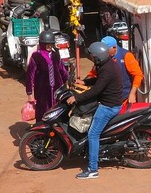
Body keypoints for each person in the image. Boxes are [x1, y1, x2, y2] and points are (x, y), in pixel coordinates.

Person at [67, 42, 123, 180]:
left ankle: (93, 169)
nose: (91, 58)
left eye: (92, 56)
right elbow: (99, 82)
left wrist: (77, 98)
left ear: (98, 57)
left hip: (108, 106)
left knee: (93, 134)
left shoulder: (107, 69)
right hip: (110, 102)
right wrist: (85, 83)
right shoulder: (106, 65)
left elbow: (97, 90)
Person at [25, 29, 69, 122]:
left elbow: (62, 70)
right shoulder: (36, 56)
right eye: (46, 44)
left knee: (57, 111)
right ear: (41, 44)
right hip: (42, 91)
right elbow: (30, 76)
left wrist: (68, 81)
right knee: (42, 113)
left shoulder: (56, 55)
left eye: (51, 44)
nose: (49, 46)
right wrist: (29, 93)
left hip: (57, 90)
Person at [84, 36, 143, 103]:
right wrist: (84, 82)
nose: (104, 52)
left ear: (114, 48)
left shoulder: (126, 56)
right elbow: (93, 73)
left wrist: (132, 93)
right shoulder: (102, 57)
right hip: (108, 96)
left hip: (124, 97)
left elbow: (138, 75)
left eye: (106, 50)